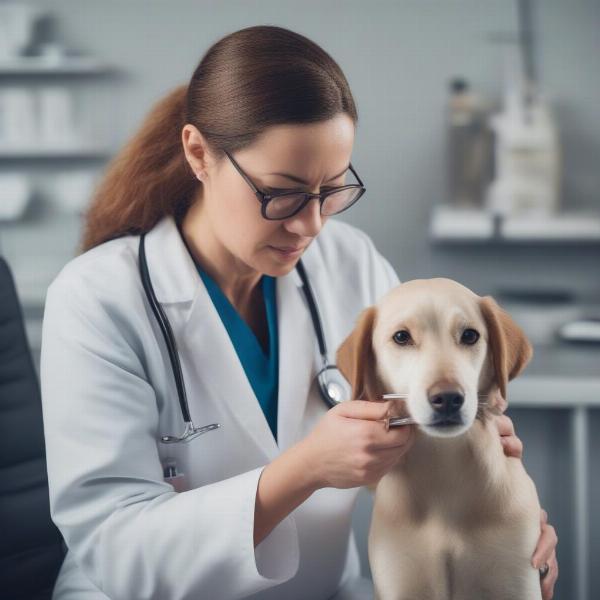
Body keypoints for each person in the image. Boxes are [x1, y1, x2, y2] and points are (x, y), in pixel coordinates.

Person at [40, 25, 558, 600]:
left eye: (331, 191)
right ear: (198, 155)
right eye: (280, 193)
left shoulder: (347, 261)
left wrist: (507, 520)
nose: (310, 225)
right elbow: (115, 548)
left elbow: (420, 421)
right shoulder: (97, 299)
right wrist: (306, 468)